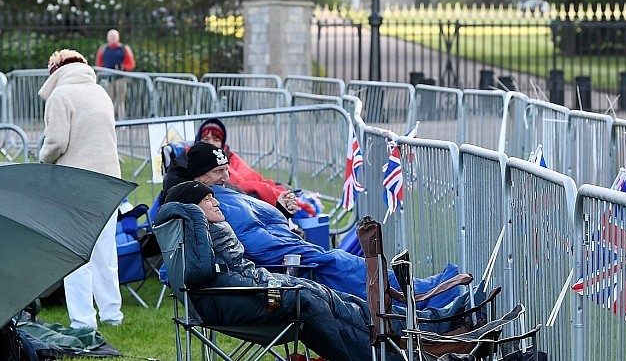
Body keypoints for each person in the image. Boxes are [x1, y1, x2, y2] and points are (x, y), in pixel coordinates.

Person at [157, 181, 476, 361]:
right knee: (318, 293)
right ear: (191, 211)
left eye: (213, 194)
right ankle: (380, 354)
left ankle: (426, 326)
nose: (215, 200)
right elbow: (205, 273)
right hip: (249, 293)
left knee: (340, 297)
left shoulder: (213, 228)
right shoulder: (192, 231)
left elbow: (241, 260)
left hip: (260, 283)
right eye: (207, 198)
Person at [161, 142, 463, 307]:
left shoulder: (222, 195)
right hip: (277, 271)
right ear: (200, 176)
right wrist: (296, 250)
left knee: (344, 266)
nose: (226, 177)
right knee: (340, 263)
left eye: (227, 170)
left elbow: (252, 226)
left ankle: (416, 297)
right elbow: (248, 242)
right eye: (218, 172)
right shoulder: (202, 204)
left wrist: (281, 210)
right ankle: (417, 298)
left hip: (286, 256)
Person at [39, 49, 123, 329]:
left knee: (75, 254)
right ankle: (113, 314)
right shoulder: (100, 93)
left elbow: (56, 143)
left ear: (56, 70)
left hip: (76, 184)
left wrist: (43, 158)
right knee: (105, 254)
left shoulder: (60, 96)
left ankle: (83, 321)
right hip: (110, 181)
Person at [194, 118, 319, 217]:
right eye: (206, 139)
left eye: (216, 139)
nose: (211, 143)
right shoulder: (215, 199)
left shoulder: (233, 165)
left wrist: (282, 210)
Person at [95, 29, 136, 119]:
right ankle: (109, 120)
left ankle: (122, 120)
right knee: (108, 100)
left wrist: (124, 67)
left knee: (120, 100)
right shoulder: (103, 49)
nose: (113, 38)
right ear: (107, 38)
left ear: (118, 37)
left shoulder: (124, 48)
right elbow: (99, 63)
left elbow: (131, 64)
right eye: (111, 36)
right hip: (107, 79)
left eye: (114, 36)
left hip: (120, 78)